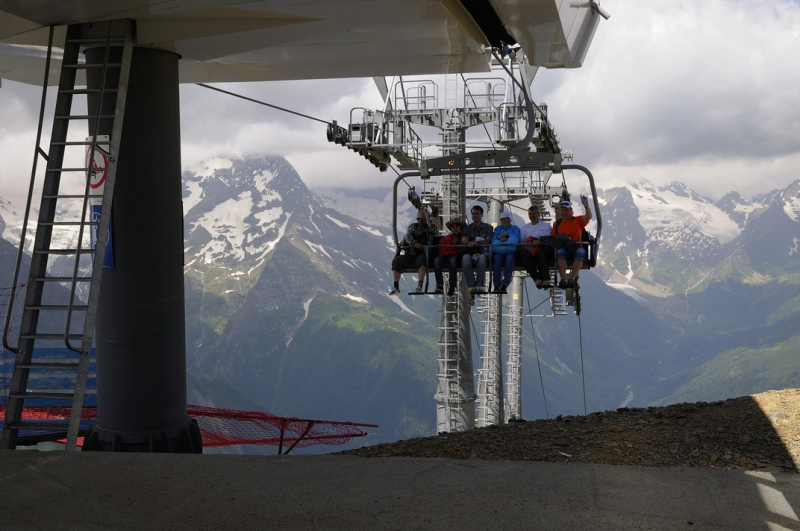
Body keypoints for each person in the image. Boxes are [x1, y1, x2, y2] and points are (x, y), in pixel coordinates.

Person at [389, 208, 437, 294]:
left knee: (421, 261)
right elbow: (407, 236)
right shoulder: (413, 227)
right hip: (412, 253)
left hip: (424, 252)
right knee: (397, 261)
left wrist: (426, 214)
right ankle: (396, 286)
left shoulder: (429, 229)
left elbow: (433, 228)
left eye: (422, 219)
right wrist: (414, 243)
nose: (420, 221)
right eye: (419, 219)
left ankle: (420, 285)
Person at [553, 195, 593, 289]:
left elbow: (588, 216)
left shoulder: (577, 220)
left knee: (581, 252)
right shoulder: (557, 224)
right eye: (562, 210)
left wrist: (586, 206)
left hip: (575, 247)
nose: (564, 213)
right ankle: (563, 279)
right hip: (563, 247)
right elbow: (554, 237)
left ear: (571, 211)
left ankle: (571, 278)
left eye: (566, 210)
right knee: (560, 252)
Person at [461, 205, 494, 294]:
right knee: (465, 259)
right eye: (473, 214)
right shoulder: (467, 228)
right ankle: (471, 285)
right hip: (470, 252)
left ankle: (480, 284)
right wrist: (465, 240)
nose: (475, 215)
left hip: (483, 252)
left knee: (482, 259)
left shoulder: (488, 228)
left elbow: (488, 240)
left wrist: (476, 243)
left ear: (481, 215)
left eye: (477, 213)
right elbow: (464, 239)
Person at [519, 205, 553, 289]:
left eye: (534, 213)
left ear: (538, 214)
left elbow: (549, 239)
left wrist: (539, 242)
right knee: (523, 254)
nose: (532, 216)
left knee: (540, 252)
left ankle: (546, 279)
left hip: (543, 251)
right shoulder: (524, 228)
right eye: (530, 214)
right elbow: (521, 240)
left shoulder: (546, 226)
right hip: (530, 251)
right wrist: (527, 242)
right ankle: (536, 278)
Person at [434, 217, 466, 296]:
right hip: (444, 255)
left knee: (453, 262)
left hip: (454, 255)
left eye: (457, 227)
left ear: (460, 228)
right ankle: (439, 284)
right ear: (451, 229)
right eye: (453, 227)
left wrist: (452, 247)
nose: (455, 229)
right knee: (437, 261)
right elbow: (441, 248)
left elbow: (462, 249)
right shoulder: (446, 238)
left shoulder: (463, 239)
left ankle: (452, 286)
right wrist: (452, 245)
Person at [491, 209, 521, 294]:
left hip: (510, 252)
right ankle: (496, 285)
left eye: (507, 219)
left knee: (510, 259)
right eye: (503, 219)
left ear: (510, 219)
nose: (505, 221)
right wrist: (500, 237)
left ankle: (505, 284)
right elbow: (494, 238)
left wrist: (506, 235)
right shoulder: (497, 229)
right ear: (501, 220)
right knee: (496, 260)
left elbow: (517, 238)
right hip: (500, 252)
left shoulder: (515, 228)